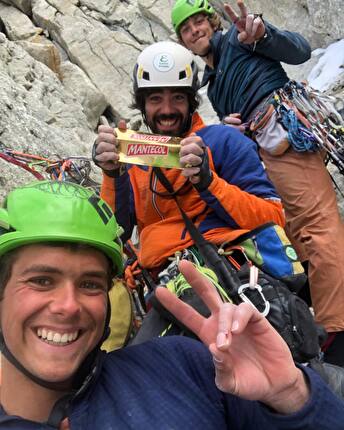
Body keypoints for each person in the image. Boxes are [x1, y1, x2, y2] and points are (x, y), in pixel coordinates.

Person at [0, 179, 343, 430]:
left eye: (90, 284)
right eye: (42, 280)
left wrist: (291, 394)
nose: (68, 306)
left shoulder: (183, 365)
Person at [171, 0, 344, 366]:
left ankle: (337, 334)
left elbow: (298, 50)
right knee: (293, 234)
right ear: (183, 41)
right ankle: (317, 327)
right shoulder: (214, 84)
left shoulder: (239, 36)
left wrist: (263, 33)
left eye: (199, 22)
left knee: (317, 228)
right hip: (260, 152)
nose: (195, 31)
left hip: (283, 134)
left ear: (211, 21)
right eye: (186, 30)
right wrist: (232, 129)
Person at [94, 40, 284, 294]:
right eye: (155, 99)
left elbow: (274, 218)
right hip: (163, 283)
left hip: (232, 275)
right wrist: (111, 174)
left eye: (178, 98)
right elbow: (116, 232)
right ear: (142, 104)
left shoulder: (224, 142)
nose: (167, 110)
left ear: (192, 101)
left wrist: (210, 183)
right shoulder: (133, 162)